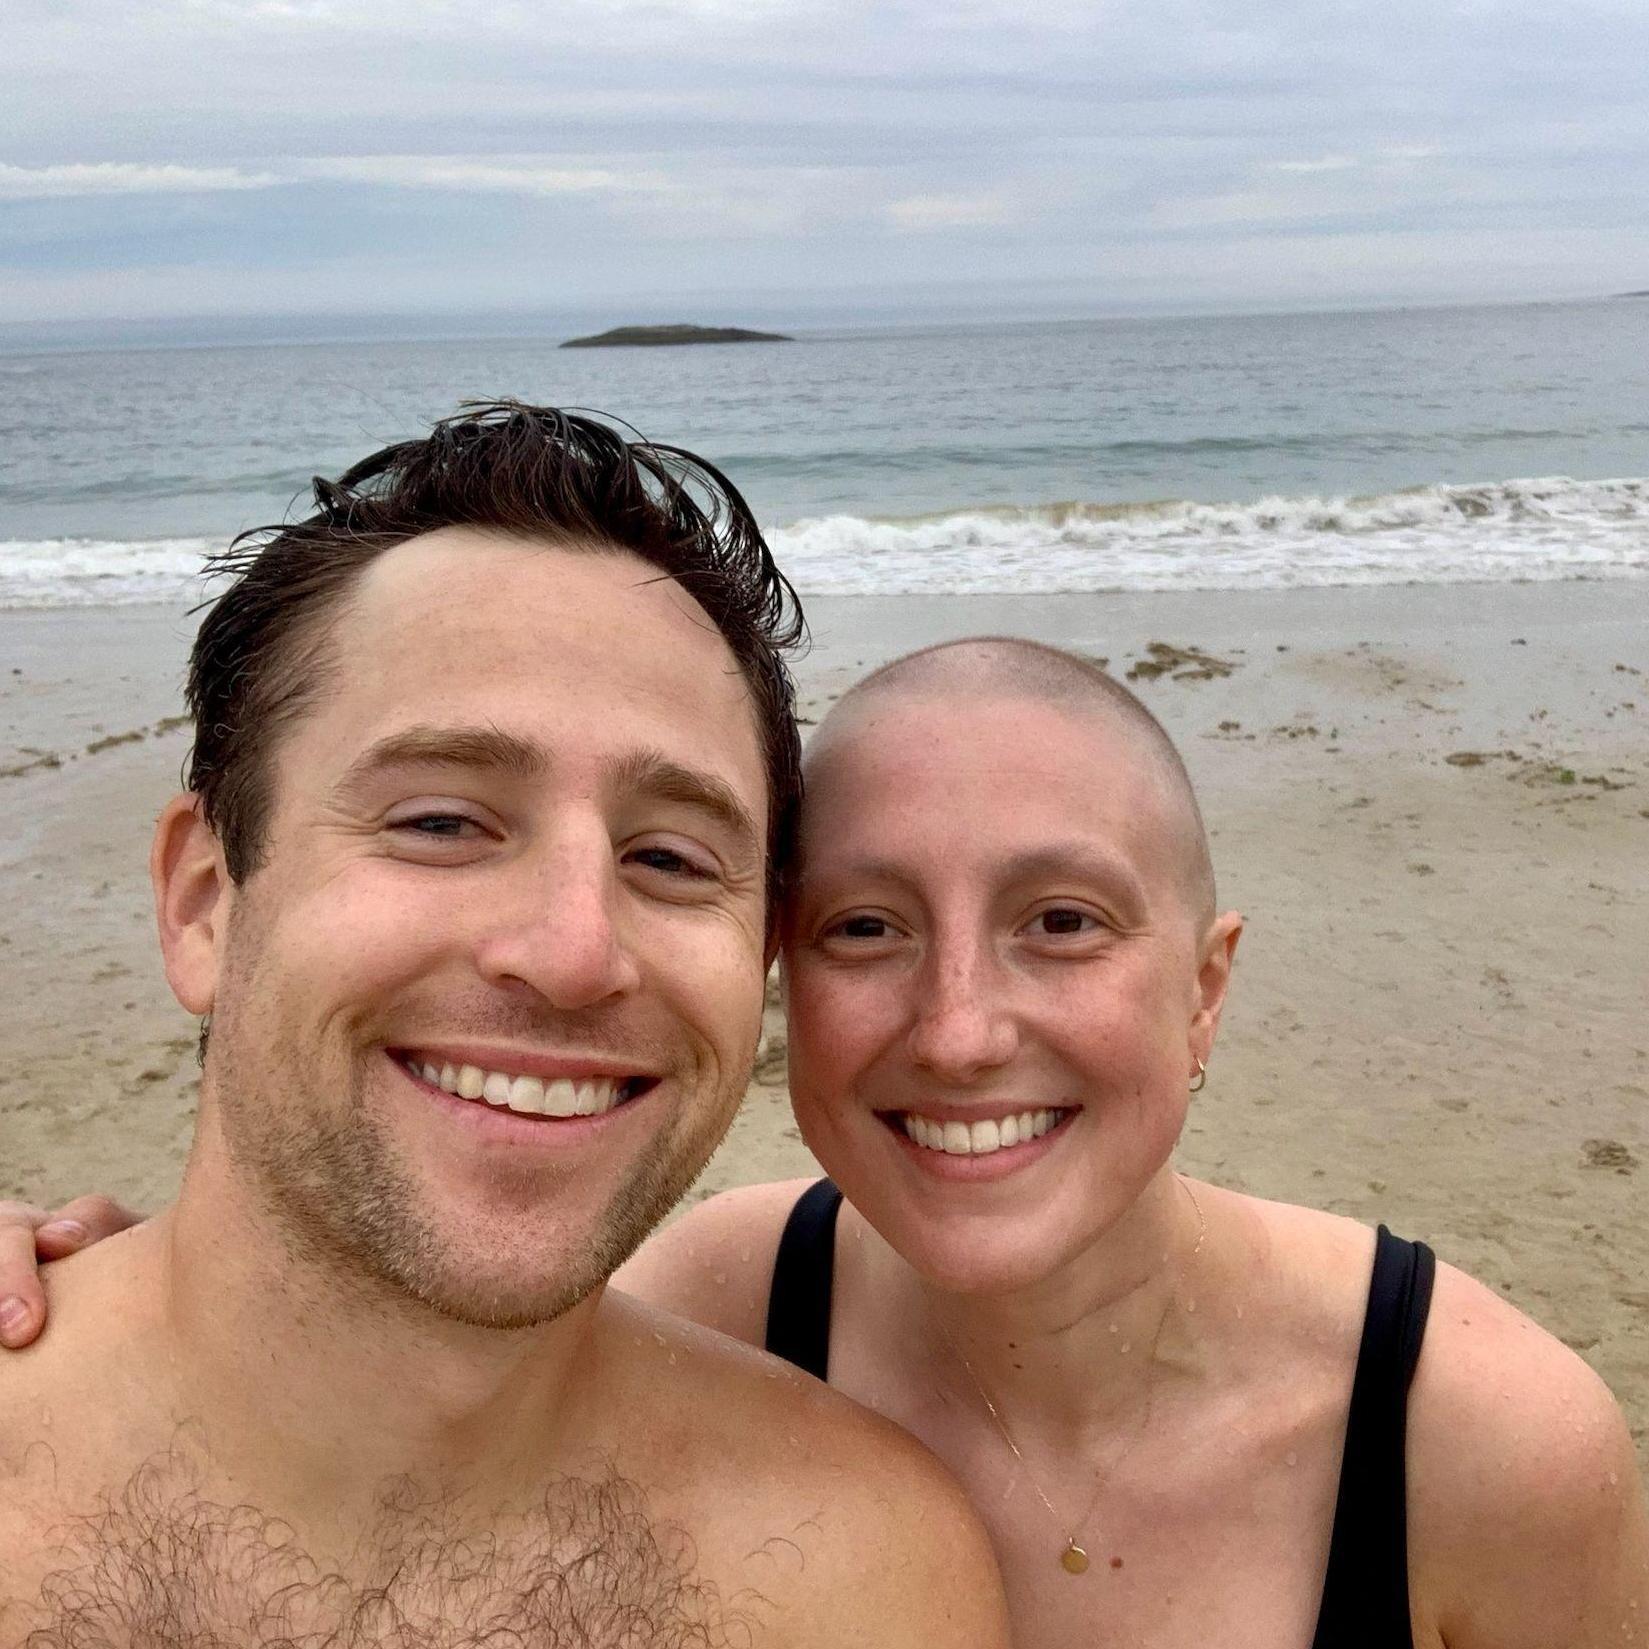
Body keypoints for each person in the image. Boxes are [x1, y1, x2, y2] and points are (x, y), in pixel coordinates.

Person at [8, 611, 1648, 1641]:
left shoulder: (1483, 1440)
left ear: (1203, 989)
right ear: (785, 975)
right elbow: (394, 1296)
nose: (954, 1026)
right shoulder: (704, 1291)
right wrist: (100, 1281)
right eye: (862, 926)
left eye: (1061, 920)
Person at [0, 405, 1010, 1648]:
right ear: (204, 900)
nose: (574, 951)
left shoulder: (863, 1579)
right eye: (440, 820)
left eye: (669, 855)